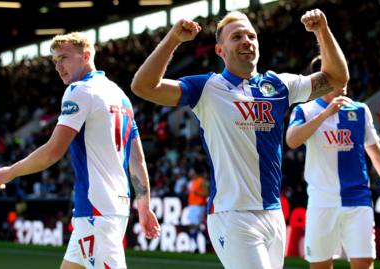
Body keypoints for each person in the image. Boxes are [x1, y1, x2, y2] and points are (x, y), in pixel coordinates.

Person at [131, 9, 349, 269]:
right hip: (232, 215)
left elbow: (337, 78)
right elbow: (143, 86)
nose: (246, 40)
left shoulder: (280, 85)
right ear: (220, 50)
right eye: (236, 37)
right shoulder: (205, 89)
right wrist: (173, 40)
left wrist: (321, 31)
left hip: (273, 213)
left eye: (251, 36)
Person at [0, 32, 160, 269]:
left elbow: (53, 151)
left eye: (64, 58)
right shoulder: (120, 96)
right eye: (55, 61)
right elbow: (137, 159)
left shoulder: (79, 90)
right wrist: (143, 206)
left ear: (86, 56)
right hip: (112, 208)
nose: (58, 66)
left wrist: (11, 171)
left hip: (96, 210)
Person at [286, 55, 380, 269]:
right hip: (321, 201)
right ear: (321, 80)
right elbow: (292, 140)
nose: (345, 79)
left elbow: (376, 154)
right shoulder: (304, 110)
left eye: (345, 73)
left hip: (358, 201)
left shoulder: (359, 110)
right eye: (337, 74)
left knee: (364, 265)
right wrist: (325, 115)